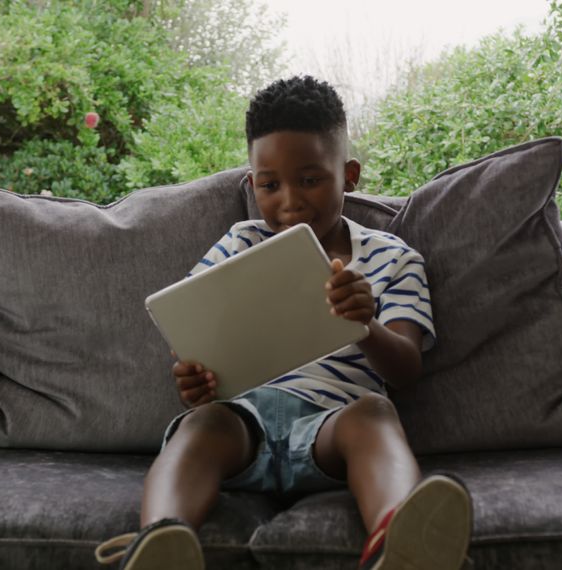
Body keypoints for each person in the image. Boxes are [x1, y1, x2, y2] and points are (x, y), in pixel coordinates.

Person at [95, 75, 472, 570]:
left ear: (349, 174)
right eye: (271, 185)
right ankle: (159, 543)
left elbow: (405, 369)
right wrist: (193, 381)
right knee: (200, 424)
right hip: (240, 425)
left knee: (375, 413)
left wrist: (367, 324)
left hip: (331, 427)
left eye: (311, 179)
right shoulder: (240, 243)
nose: (290, 201)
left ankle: (402, 543)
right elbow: (191, 337)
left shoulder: (392, 258)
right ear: (253, 185)